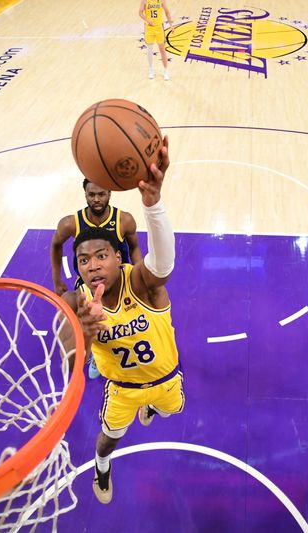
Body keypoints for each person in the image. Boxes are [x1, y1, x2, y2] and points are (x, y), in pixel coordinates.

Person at [62, 136, 183, 505]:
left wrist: (153, 204)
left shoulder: (141, 283)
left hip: (165, 380)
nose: (93, 264)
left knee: (169, 409)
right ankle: (102, 467)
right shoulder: (77, 301)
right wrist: (81, 340)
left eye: (101, 255)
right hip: (122, 389)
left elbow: (163, 264)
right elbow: (71, 370)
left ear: (118, 258)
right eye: (84, 261)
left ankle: (151, 406)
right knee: (109, 436)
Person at [50, 178, 142, 379]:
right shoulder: (71, 223)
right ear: (85, 195)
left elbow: (134, 247)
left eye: (101, 194)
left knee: (129, 321)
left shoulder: (124, 220)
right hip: (89, 284)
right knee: (90, 321)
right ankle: (95, 356)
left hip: (120, 281)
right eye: (91, 195)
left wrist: (138, 272)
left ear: (110, 194)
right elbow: (56, 244)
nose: (96, 199)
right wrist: (57, 279)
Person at [139, 0, 173, 80]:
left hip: (159, 28)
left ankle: (165, 71)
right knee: (149, 50)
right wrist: (147, 20)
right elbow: (140, 13)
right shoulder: (144, 1)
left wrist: (171, 25)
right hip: (149, 28)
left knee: (162, 50)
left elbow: (167, 12)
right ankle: (151, 70)